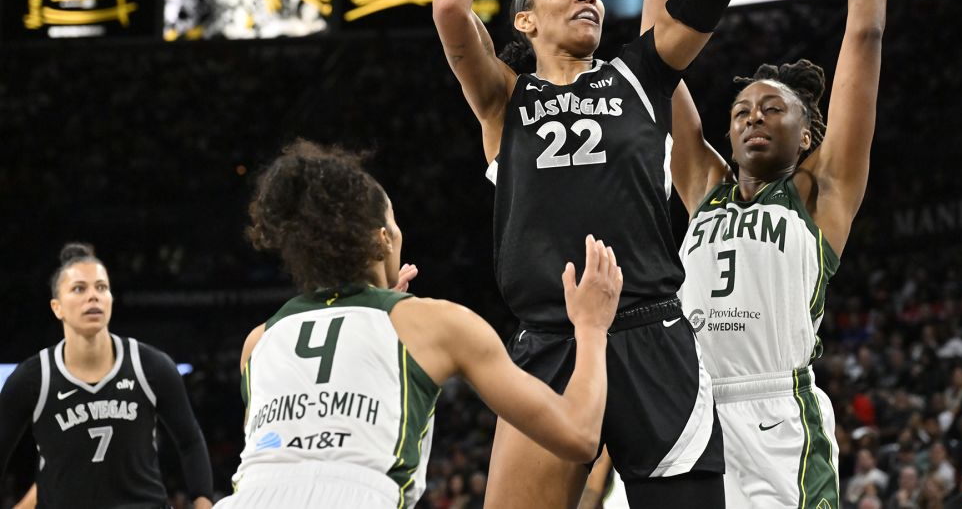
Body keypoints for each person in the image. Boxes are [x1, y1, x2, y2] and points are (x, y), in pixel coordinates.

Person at [432, 0, 742, 508]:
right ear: (524, 23)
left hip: (651, 330)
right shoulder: (503, 99)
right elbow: (451, 7)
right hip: (549, 343)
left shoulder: (642, 74)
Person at [640, 0, 894, 507]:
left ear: (809, 132)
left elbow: (864, 38)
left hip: (779, 417)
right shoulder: (704, 184)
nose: (753, 115)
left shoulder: (823, 194)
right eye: (744, 109)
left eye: (772, 109)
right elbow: (655, 62)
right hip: (690, 413)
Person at [216, 139, 622, 509]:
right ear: (382, 239)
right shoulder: (434, 322)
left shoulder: (260, 340)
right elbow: (579, 434)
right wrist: (590, 326)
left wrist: (381, 303)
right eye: (393, 222)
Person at [0, 243, 214, 508]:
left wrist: (204, 502)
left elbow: (190, 440)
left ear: (111, 299)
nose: (93, 296)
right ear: (57, 308)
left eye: (101, 287)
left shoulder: (150, 365)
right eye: (79, 288)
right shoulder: (33, 378)